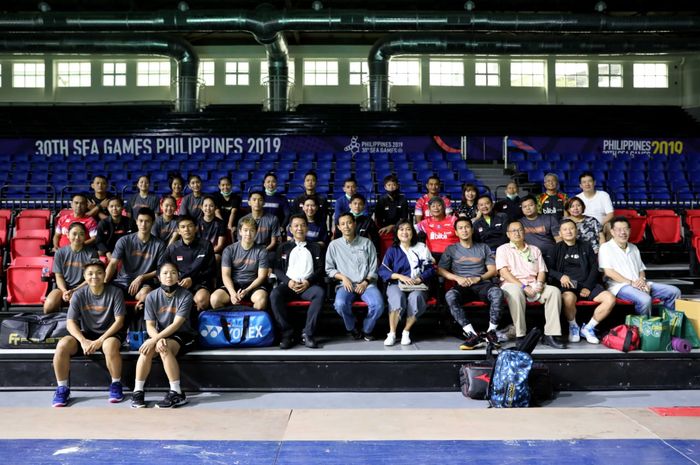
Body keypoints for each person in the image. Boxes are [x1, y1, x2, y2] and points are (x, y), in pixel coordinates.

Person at [51, 259, 126, 407]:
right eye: (90, 274)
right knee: (62, 345)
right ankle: (62, 388)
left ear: (104, 275)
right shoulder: (78, 294)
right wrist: (83, 341)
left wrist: (100, 340)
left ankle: (116, 384)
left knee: (109, 346)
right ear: (85, 277)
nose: (94, 277)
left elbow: (119, 322)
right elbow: (70, 322)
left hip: (108, 334)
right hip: (86, 334)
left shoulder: (115, 292)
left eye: (99, 273)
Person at [131, 262, 196, 409]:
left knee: (163, 348)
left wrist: (156, 339)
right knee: (146, 350)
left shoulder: (186, 295)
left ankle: (177, 393)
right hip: (160, 334)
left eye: (173, 272)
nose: (169, 276)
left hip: (183, 335)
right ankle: (138, 391)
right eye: (165, 273)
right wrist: (157, 339)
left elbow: (176, 325)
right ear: (159, 277)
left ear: (178, 276)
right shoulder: (151, 297)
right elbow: (149, 325)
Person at [495, 220, 566, 349]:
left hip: (533, 284)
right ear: (508, 234)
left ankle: (550, 335)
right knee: (516, 293)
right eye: (513, 231)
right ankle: (520, 335)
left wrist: (539, 283)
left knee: (554, 292)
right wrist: (523, 286)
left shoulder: (534, 249)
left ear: (524, 232)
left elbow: (541, 270)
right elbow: (504, 273)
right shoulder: (503, 249)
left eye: (520, 230)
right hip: (512, 284)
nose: (517, 233)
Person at [438, 218, 505, 350]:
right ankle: (472, 334)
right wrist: (457, 278)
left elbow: (492, 270)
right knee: (450, 296)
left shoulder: (483, 247)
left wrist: (478, 278)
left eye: (467, 227)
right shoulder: (451, 249)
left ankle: (491, 333)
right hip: (462, 285)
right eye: (461, 228)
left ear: (472, 229)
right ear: (456, 232)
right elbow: (440, 270)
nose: (464, 230)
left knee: (497, 292)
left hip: (482, 284)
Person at [547, 219, 616, 344]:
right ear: (560, 233)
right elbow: (548, 269)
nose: (569, 231)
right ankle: (573, 326)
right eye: (565, 229)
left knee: (609, 299)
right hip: (567, 286)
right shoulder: (555, 249)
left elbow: (595, 268)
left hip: (587, 284)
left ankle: (588, 328)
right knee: (568, 298)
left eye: (571, 228)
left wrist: (588, 287)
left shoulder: (586, 246)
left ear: (577, 231)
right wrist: (560, 276)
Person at [599, 216, 682, 317]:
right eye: (619, 229)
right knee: (645, 299)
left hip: (638, 284)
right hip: (620, 287)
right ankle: (644, 329)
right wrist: (632, 283)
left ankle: (669, 325)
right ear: (612, 232)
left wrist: (642, 281)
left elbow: (641, 269)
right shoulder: (605, 248)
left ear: (630, 230)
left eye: (626, 229)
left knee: (674, 292)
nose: (623, 232)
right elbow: (609, 272)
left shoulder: (634, 248)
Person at [326, 212, 384, 341]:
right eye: (343, 224)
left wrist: (365, 282)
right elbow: (329, 269)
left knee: (378, 304)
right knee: (340, 304)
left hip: (367, 284)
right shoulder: (334, 245)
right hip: (345, 285)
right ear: (338, 227)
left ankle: (366, 329)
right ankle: (351, 327)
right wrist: (343, 278)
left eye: (349, 222)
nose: (346, 226)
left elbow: (374, 267)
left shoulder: (367, 243)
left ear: (355, 224)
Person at [271, 214, 326, 349]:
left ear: (307, 228)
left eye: (302, 225)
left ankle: (308, 334)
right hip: (288, 285)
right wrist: (288, 281)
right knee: (274, 294)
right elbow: (277, 269)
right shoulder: (283, 247)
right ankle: (287, 333)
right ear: (290, 228)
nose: (299, 228)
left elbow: (320, 269)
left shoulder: (316, 247)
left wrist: (308, 281)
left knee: (319, 293)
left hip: (308, 286)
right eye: (296, 225)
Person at [379, 219, 435, 346]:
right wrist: (400, 276)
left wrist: (419, 279)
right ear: (397, 232)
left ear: (413, 232)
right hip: (396, 283)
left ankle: (406, 331)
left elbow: (431, 269)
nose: (405, 232)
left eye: (408, 229)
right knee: (397, 298)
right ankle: (392, 333)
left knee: (417, 298)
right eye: (401, 229)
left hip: (418, 284)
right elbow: (383, 270)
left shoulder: (421, 248)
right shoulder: (392, 250)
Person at [105, 207, 165, 309]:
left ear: (153, 223)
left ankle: (139, 317)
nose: (143, 224)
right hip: (123, 281)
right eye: (141, 221)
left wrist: (141, 277)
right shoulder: (124, 241)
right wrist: (104, 282)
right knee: (107, 296)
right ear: (136, 222)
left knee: (146, 294)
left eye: (147, 221)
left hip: (145, 283)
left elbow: (160, 270)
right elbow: (113, 263)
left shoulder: (159, 244)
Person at [210, 217, 270, 310]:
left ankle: (250, 323)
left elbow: (261, 277)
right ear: (240, 232)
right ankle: (229, 322)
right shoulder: (229, 250)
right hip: (233, 284)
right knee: (215, 299)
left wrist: (247, 290)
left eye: (252, 231)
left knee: (261, 300)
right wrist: (232, 293)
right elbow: (225, 275)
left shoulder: (262, 251)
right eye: (245, 230)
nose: (248, 234)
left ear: (256, 232)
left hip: (253, 285)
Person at [163, 215, 216, 312]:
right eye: (183, 227)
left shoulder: (206, 245)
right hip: (179, 284)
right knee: (167, 299)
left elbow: (211, 270)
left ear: (196, 228)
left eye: (190, 226)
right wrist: (175, 280)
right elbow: (163, 269)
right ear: (178, 231)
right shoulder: (172, 248)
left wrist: (192, 279)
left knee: (202, 300)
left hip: (200, 282)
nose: (186, 229)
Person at [44, 223, 99, 314]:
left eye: (81, 234)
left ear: (85, 236)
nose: (77, 237)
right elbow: (59, 276)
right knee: (48, 306)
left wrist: (74, 291)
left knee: (74, 303)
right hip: (64, 288)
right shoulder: (60, 253)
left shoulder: (92, 253)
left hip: (84, 288)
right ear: (68, 235)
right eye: (74, 234)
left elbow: (91, 278)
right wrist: (65, 291)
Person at [374, 174, 409, 256]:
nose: (391, 187)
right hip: (384, 229)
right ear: (385, 187)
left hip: (399, 228)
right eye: (389, 185)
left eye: (394, 185)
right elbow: (377, 218)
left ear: (397, 186)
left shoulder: (403, 200)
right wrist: (384, 228)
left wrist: (393, 226)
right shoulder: (381, 200)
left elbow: (404, 219)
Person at [415, 196, 458, 263]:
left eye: (439, 205)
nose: (436, 208)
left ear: (444, 208)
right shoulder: (425, 223)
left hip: (452, 255)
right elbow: (411, 230)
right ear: (429, 209)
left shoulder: (453, 220)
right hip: (433, 256)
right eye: (433, 206)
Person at [519, 194, 561, 260]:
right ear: (522, 209)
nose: (528, 208)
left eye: (531, 205)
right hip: (530, 256)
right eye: (524, 207)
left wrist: (559, 254)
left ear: (536, 206)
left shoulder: (549, 219)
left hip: (550, 254)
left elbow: (558, 239)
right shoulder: (519, 223)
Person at [198, 195, 226, 263]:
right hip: (199, 251)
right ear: (201, 207)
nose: (208, 208)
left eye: (211, 206)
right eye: (205, 205)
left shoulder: (221, 223)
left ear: (215, 208)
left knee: (216, 258)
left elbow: (220, 245)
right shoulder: (196, 223)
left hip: (214, 252)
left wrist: (207, 253)